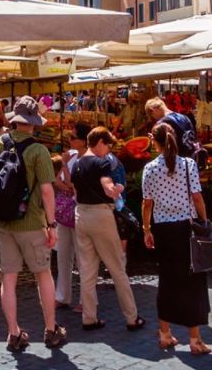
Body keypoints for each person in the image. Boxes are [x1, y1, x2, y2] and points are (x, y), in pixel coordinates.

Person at [0, 96, 66, 352]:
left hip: (3, 223)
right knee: (43, 275)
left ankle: (13, 333)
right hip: (31, 223)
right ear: (34, 123)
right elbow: (48, 191)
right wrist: (52, 225)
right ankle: (51, 330)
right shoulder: (39, 151)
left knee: (8, 279)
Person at [141, 122, 211, 355]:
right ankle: (194, 339)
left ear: (155, 141)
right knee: (193, 282)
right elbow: (197, 197)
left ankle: (164, 334)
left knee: (168, 280)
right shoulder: (188, 164)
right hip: (187, 228)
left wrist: (146, 229)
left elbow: (147, 203)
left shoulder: (149, 168)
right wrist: (205, 221)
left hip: (163, 230)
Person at [71, 127, 144, 332]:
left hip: (81, 215)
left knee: (87, 271)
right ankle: (131, 317)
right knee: (117, 268)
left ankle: (89, 317)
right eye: (108, 144)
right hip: (100, 216)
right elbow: (106, 183)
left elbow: (75, 192)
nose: (109, 149)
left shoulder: (77, 163)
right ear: (100, 141)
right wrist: (115, 190)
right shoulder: (101, 162)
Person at [53, 123, 88, 311]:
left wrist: (67, 181)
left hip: (80, 211)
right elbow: (57, 180)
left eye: (73, 137)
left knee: (83, 257)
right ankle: (62, 295)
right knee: (63, 254)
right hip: (64, 212)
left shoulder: (88, 159)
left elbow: (73, 183)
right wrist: (65, 183)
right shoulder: (72, 156)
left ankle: (85, 299)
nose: (70, 140)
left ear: (84, 140)